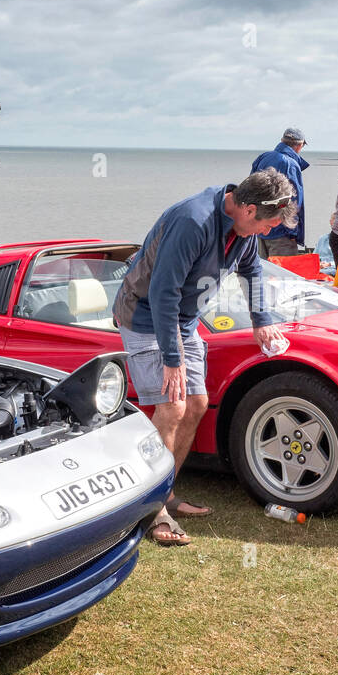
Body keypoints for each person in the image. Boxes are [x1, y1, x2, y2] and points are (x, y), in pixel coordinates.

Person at [113, 171, 292, 544]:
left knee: (196, 404)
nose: (264, 234)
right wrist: (172, 358)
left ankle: (166, 493)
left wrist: (262, 322)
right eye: (265, 226)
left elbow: (253, 272)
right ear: (248, 208)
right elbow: (163, 293)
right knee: (172, 406)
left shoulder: (244, 230)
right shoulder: (192, 221)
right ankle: (151, 512)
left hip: (184, 317)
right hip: (146, 313)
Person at [250, 128, 308, 256]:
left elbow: (250, 190)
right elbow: (292, 201)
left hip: (259, 228)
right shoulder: (291, 164)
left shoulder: (263, 157)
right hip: (280, 231)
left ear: (282, 141)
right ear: (299, 145)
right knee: (283, 274)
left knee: (262, 273)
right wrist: (292, 231)